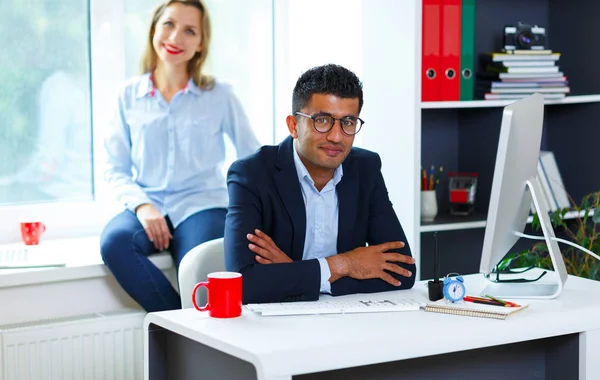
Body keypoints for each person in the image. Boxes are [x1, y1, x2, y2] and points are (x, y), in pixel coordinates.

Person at [100, 0, 260, 312]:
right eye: (169, 25)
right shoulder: (127, 96)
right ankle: (179, 326)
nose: (175, 38)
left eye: (189, 31)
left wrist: (249, 213)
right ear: (154, 30)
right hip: (147, 202)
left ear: (201, 44)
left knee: (199, 266)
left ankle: (194, 332)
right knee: (114, 243)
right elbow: (114, 167)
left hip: (203, 205)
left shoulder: (220, 95)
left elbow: (251, 159)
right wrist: (142, 205)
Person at [224, 64, 416, 304]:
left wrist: (296, 272)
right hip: (273, 326)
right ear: (294, 125)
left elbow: (402, 271)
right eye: (322, 120)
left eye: (347, 122)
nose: (336, 136)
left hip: (347, 322)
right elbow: (242, 283)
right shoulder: (251, 174)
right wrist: (345, 264)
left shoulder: (365, 169)